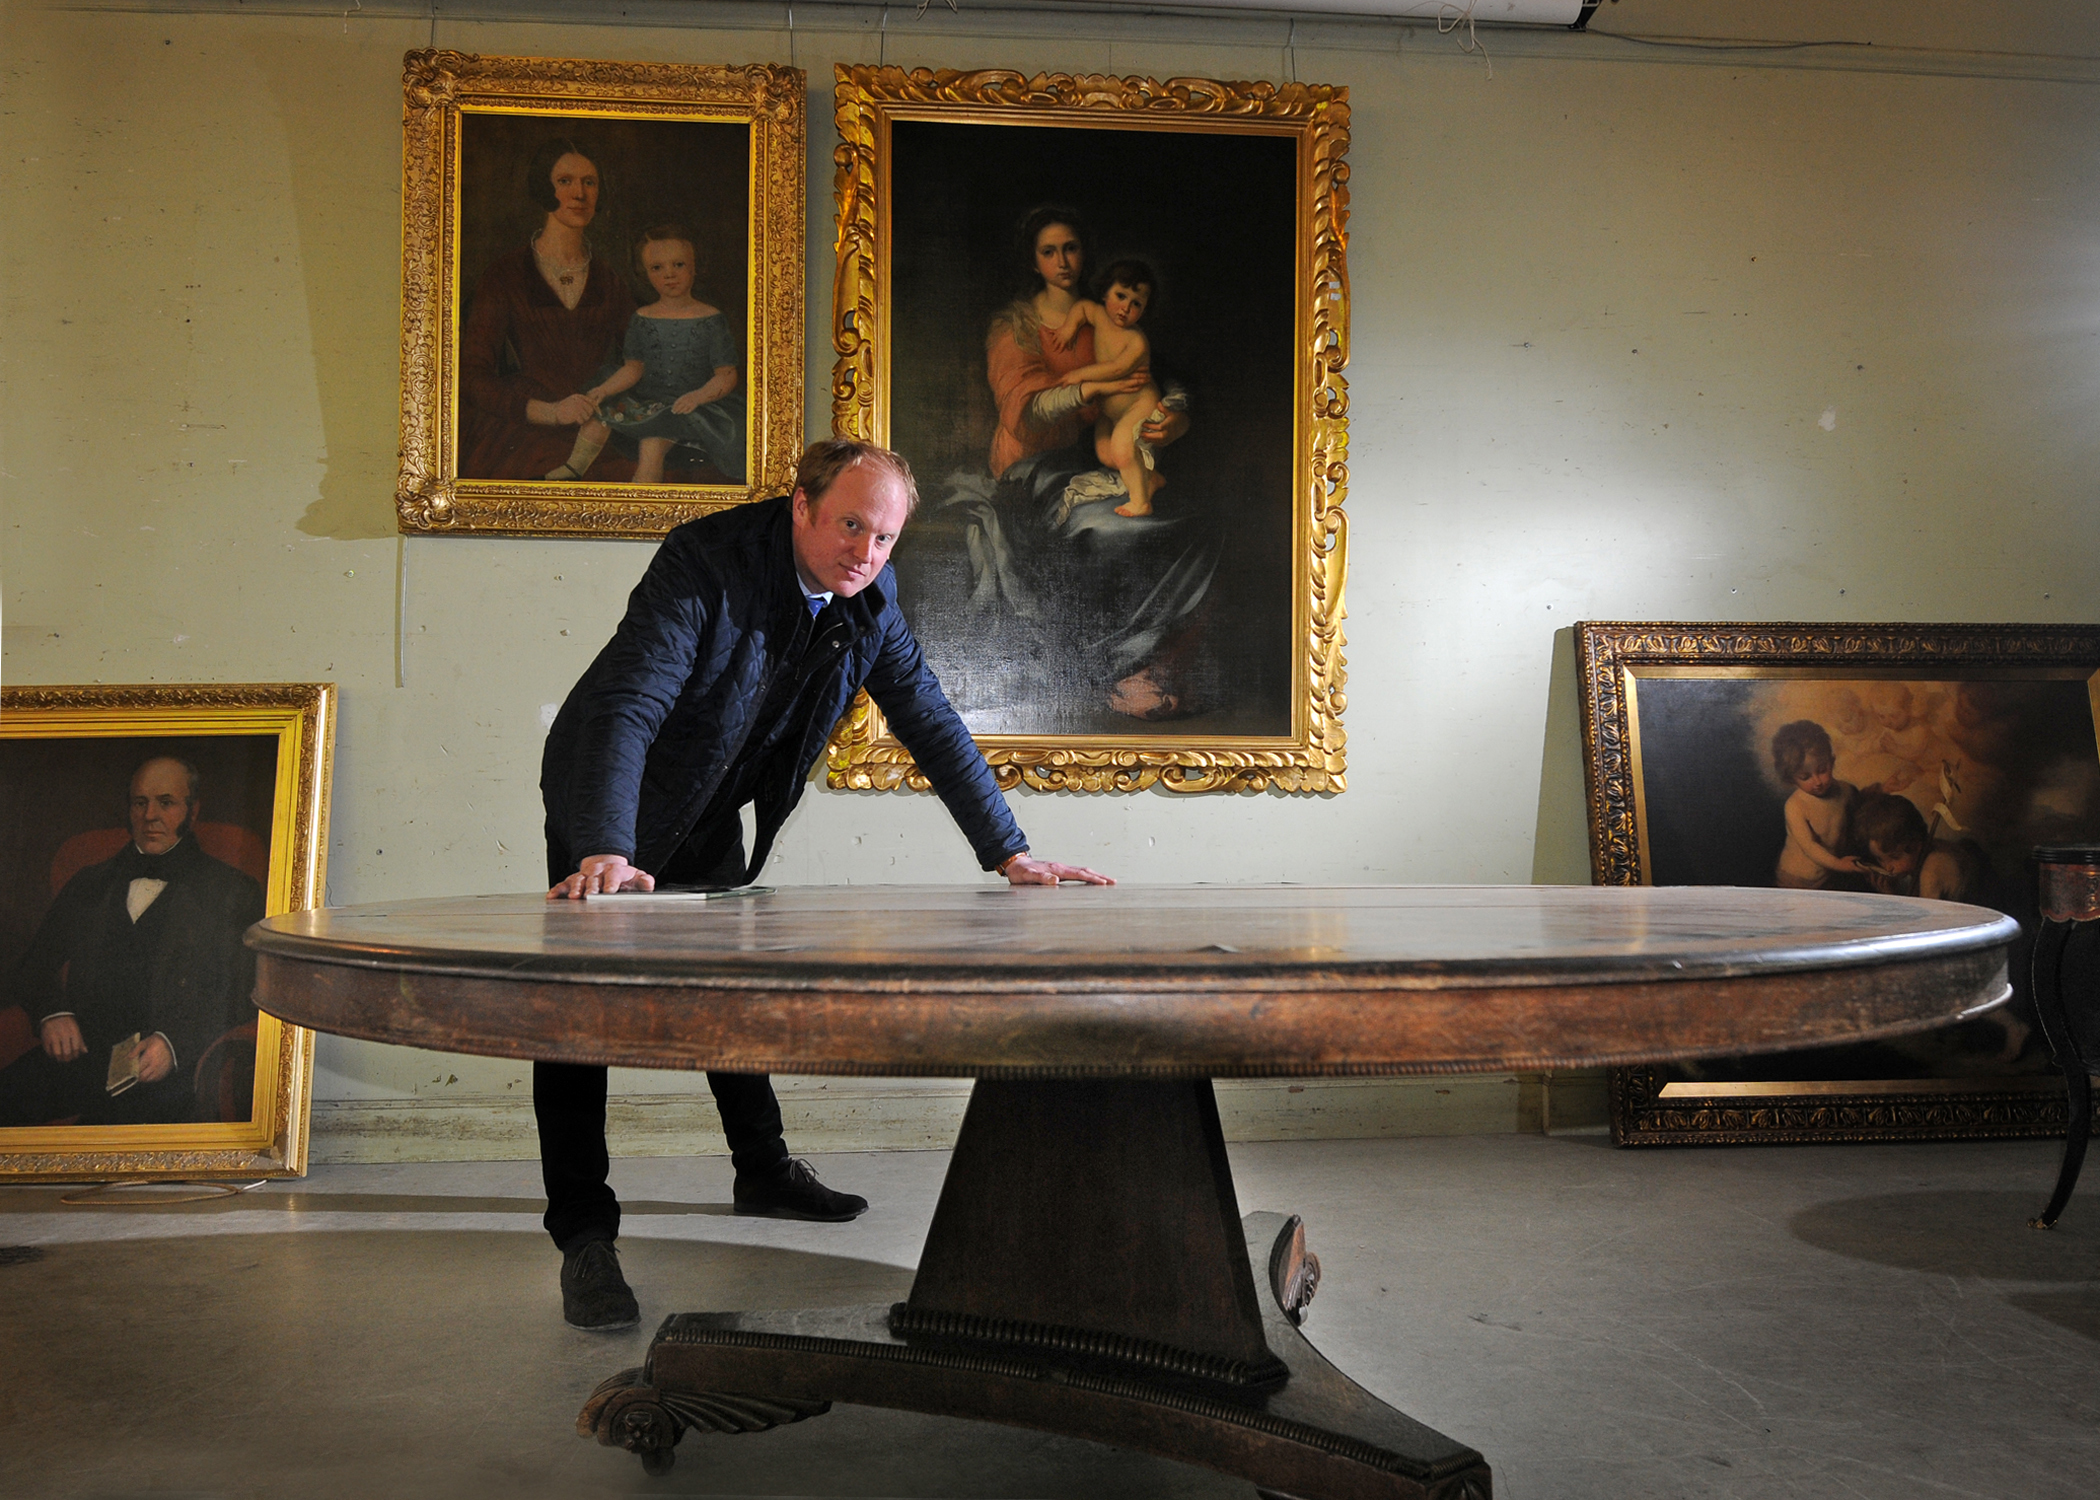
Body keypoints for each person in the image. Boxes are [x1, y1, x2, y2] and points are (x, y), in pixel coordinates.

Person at [537, 437, 1112, 1332]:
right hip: (607, 798)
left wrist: (1010, 850)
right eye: (851, 526)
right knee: (577, 1018)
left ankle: (761, 1169)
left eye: (884, 539)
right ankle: (583, 1235)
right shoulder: (703, 562)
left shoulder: (870, 599)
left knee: (725, 999)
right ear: (801, 505)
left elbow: (927, 717)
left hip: (708, 810)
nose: (866, 553)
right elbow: (630, 705)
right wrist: (603, 847)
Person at [0, 757, 264, 1127]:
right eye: (140, 803)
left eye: (166, 802)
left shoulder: (233, 891)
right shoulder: (90, 882)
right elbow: (32, 966)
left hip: (173, 1070)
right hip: (81, 1058)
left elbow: (245, 989)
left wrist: (175, 1044)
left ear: (193, 810)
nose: (150, 815)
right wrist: (52, 1014)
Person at [458, 139, 637, 483]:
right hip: (526, 427)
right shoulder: (506, 273)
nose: (579, 194)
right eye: (565, 181)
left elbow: (640, 360)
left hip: (595, 428)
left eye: (589, 182)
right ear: (544, 187)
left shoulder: (608, 279)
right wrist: (552, 413)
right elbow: (470, 377)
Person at [595, 224, 747, 484]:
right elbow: (633, 368)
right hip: (650, 404)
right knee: (595, 416)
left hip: (695, 407)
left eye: (678, 265)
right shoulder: (642, 317)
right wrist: (604, 390)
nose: (669, 275)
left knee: (652, 444)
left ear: (695, 267)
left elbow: (727, 374)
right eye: (657, 268)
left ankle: (641, 510)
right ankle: (570, 471)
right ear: (646, 273)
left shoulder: (711, 318)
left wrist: (699, 396)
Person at [1045, 259, 1166, 516]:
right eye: (1120, 296)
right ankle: (1149, 478)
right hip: (1111, 409)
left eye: (1136, 304)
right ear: (1105, 292)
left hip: (1138, 403)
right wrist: (1069, 327)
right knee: (1105, 453)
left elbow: (1116, 369)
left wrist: (1080, 375)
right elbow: (1082, 308)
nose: (1126, 308)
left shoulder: (1136, 341)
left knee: (1122, 448)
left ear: (1144, 310)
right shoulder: (1098, 314)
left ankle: (1141, 502)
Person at [1771, 719, 1867, 889]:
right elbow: (1809, 846)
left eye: (1822, 770)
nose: (1817, 782)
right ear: (1791, 778)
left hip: (1830, 875)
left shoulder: (1846, 791)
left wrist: (1882, 788)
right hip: (1797, 879)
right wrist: (1839, 865)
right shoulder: (1795, 806)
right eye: (1805, 777)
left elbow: (1864, 807)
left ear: (1832, 761)